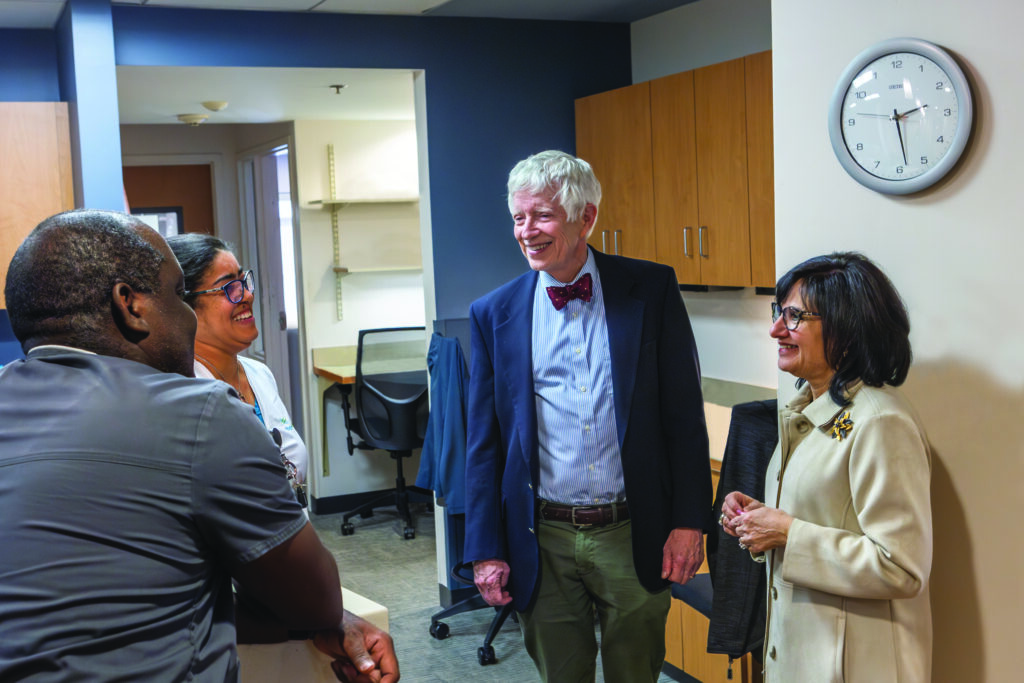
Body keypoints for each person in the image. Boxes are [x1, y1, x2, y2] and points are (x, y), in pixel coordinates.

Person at [0, 209, 398, 683]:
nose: (187, 315)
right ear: (130, 304)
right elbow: (316, 603)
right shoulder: (198, 413)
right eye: (176, 295)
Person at [464, 150, 711, 682]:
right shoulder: (494, 314)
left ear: (587, 218)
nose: (527, 231)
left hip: (633, 531)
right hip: (542, 536)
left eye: (543, 215)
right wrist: (484, 548)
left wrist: (690, 522)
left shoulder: (651, 290)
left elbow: (684, 419)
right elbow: (483, 444)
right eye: (518, 217)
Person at [721, 252, 932, 682]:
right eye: (779, 312)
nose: (776, 329)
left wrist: (786, 533)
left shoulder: (880, 421)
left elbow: (901, 566)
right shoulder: (810, 408)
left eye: (795, 317)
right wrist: (758, 522)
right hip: (805, 654)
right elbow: (820, 517)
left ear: (846, 331)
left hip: (855, 665)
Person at [167, 233, 308, 490]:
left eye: (244, 281)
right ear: (185, 307)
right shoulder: (183, 395)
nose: (246, 296)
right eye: (228, 287)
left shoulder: (259, 374)